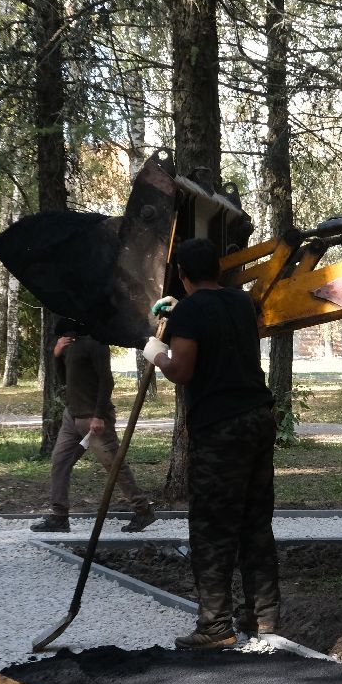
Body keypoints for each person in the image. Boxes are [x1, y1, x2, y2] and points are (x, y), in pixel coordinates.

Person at [141, 238, 280, 650]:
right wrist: (180, 312)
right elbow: (217, 327)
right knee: (255, 520)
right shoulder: (240, 302)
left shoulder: (190, 310)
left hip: (221, 428)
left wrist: (156, 350)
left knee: (212, 528)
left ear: (182, 273)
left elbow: (181, 370)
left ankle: (215, 627)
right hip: (258, 417)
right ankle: (264, 616)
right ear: (216, 271)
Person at [32, 318, 156, 534]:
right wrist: (57, 355)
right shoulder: (70, 344)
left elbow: (107, 381)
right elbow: (65, 380)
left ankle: (143, 510)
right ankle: (59, 517)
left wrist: (99, 416)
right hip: (72, 416)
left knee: (115, 467)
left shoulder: (96, 342)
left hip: (95, 419)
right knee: (59, 462)